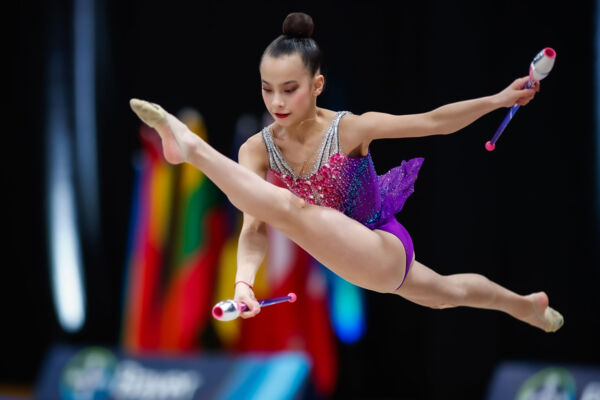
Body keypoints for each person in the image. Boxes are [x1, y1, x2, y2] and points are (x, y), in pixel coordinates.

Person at [130, 12, 563, 332]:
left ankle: (191, 149)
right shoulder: (256, 150)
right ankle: (524, 305)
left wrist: (497, 100)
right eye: (267, 89)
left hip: (383, 243)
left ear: (317, 85)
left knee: (295, 210)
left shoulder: (351, 128)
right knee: (447, 293)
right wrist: (244, 284)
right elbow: (253, 228)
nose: (276, 102)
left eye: (290, 89)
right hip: (342, 251)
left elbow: (433, 121)